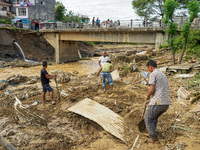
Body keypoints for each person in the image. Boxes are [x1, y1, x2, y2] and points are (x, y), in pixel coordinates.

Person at [144, 60, 170, 143]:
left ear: (150, 66)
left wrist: (147, 96)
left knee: (148, 119)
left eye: (148, 68)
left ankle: (154, 139)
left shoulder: (153, 74)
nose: (148, 70)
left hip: (159, 101)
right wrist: (151, 100)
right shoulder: (163, 75)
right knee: (154, 118)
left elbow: (151, 90)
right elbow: (160, 90)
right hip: (166, 103)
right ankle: (152, 133)